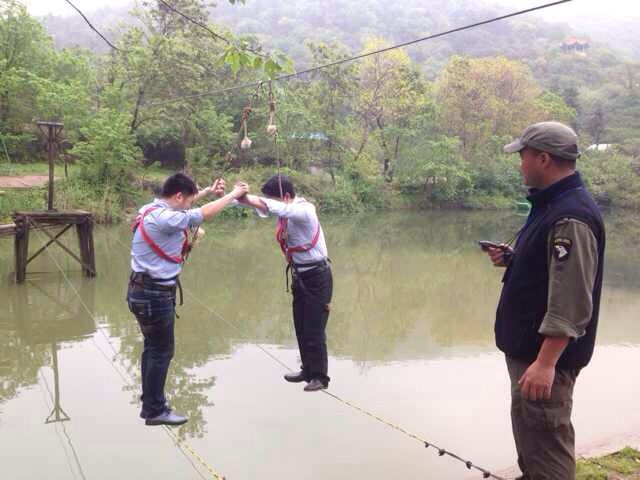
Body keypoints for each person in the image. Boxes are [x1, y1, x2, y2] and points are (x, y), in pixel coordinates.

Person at [484, 122, 606, 479]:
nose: (519, 163)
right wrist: (514, 259)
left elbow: (572, 299)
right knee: (533, 443)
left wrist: (546, 362)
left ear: (543, 159)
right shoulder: (552, 203)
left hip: (542, 358)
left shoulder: (570, 216)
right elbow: (552, 270)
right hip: (532, 354)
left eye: (522, 155)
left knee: (547, 450)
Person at [127, 173, 248, 426]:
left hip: (142, 292)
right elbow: (201, 214)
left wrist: (206, 192)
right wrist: (233, 194)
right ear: (178, 196)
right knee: (161, 351)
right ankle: (154, 410)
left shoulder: (150, 209)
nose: (190, 205)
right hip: (154, 295)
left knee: (152, 348)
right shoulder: (166, 218)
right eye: (189, 200)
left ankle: (150, 402)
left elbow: (187, 207)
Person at [237, 175, 332, 392]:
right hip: (300, 275)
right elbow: (265, 208)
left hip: (317, 276)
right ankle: (307, 370)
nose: (271, 204)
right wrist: (234, 197)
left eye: (273, 199)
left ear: (286, 196)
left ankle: (320, 377)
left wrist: (247, 198)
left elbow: (276, 208)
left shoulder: (304, 210)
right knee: (301, 326)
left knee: (314, 329)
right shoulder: (284, 212)